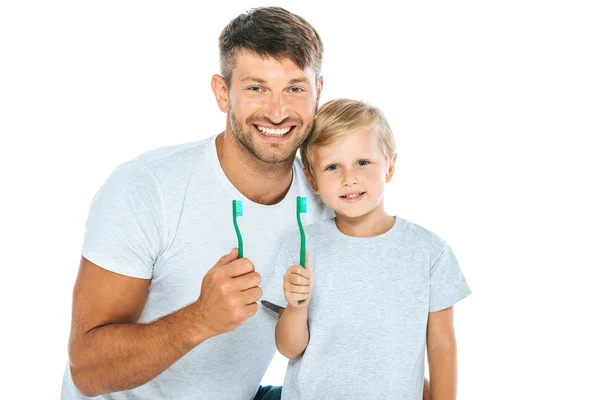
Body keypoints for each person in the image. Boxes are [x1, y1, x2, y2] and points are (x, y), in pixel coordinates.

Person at [61, 7, 331, 399]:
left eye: (295, 88)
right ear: (224, 93)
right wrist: (199, 319)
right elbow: (87, 369)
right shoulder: (147, 187)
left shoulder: (327, 198)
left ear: (318, 92)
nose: (277, 111)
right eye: (256, 88)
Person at [262, 99, 471, 399]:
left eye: (363, 162)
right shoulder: (301, 245)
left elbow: (441, 345)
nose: (349, 178)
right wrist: (297, 307)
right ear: (313, 180)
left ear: (390, 166)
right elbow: (289, 348)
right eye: (333, 167)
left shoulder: (428, 252)